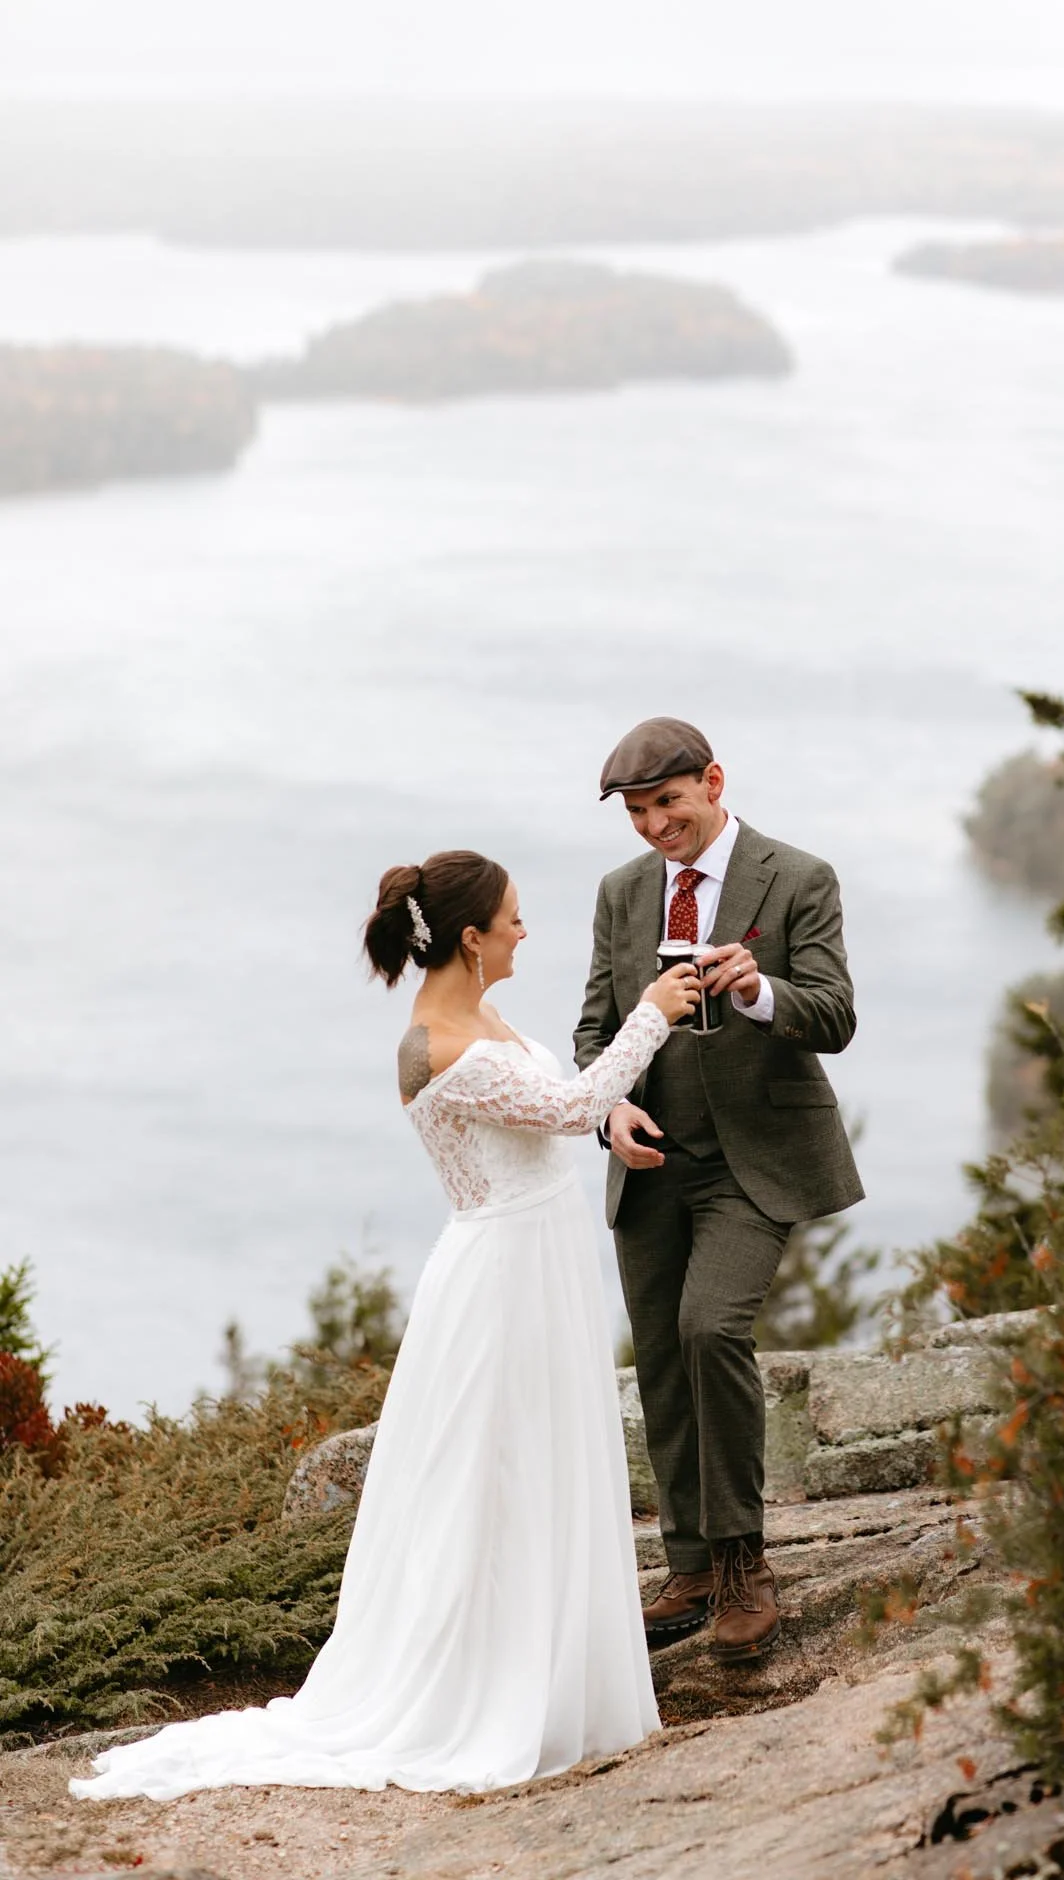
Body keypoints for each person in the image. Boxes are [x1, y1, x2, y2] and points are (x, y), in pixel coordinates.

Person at [71, 851, 699, 1803]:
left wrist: (609, 1117)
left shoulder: (481, 1018)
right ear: (472, 938)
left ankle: (551, 1671)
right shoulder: (437, 1048)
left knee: (543, 1462)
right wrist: (651, 1012)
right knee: (496, 1473)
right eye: (514, 918)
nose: (526, 930)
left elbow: (557, 1113)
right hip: (502, 1276)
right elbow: (567, 1101)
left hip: (540, 1259)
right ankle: (495, 1687)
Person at [575, 718, 864, 1664]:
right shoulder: (622, 893)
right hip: (650, 1160)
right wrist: (608, 1110)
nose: (655, 825)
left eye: (668, 802)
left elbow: (835, 1017)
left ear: (713, 781)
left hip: (754, 1162)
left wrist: (756, 989)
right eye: (637, 812)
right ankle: (690, 1567)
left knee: (711, 1329)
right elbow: (593, 1033)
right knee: (662, 1358)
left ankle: (744, 1565)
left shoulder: (798, 876)